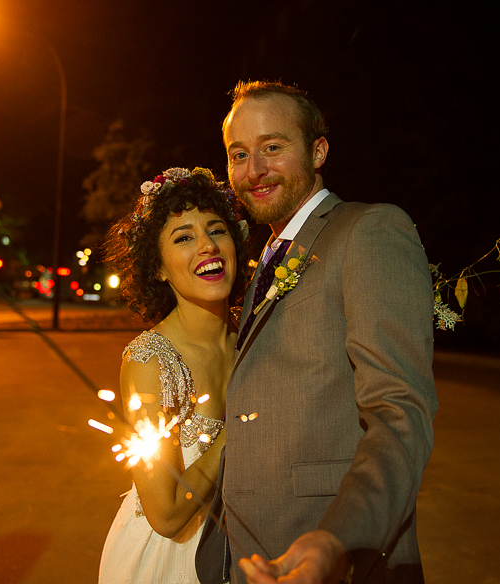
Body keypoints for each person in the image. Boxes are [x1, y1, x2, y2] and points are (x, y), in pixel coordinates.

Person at [195, 82, 438, 584]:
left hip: (329, 557)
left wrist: (338, 539)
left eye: (273, 147)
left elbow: (400, 414)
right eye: (239, 154)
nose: (254, 169)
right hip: (246, 555)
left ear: (319, 150)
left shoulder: (368, 231)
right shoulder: (264, 255)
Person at [99, 167, 250, 584]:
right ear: (159, 268)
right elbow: (164, 513)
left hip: (243, 549)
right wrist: (233, 429)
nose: (206, 245)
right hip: (169, 561)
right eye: (183, 238)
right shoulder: (151, 361)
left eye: (216, 230)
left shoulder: (256, 338)